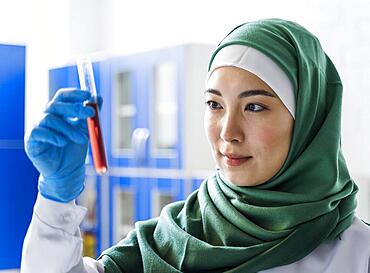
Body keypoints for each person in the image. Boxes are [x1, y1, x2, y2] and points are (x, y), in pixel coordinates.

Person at [21, 18, 370, 273]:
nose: (227, 132)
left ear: (310, 122)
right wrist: (56, 196)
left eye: (255, 106)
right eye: (215, 105)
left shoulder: (357, 253)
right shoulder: (175, 235)